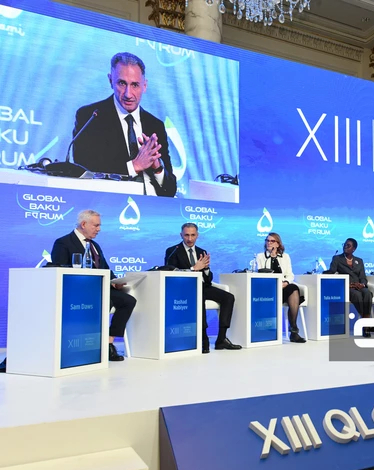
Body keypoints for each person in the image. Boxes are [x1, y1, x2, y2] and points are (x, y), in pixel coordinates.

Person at [72, 52, 176, 197]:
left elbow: (171, 190)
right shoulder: (90, 116)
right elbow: (85, 171)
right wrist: (134, 166)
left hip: (153, 206)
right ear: (110, 80)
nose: (128, 94)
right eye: (122, 83)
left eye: (135, 85)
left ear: (144, 86)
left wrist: (157, 167)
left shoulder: (155, 125)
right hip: (107, 205)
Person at [51, 210, 137, 362]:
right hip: (78, 291)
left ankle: (109, 342)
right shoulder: (63, 243)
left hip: (101, 289)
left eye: (99, 226)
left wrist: (115, 282)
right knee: (103, 303)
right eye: (96, 225)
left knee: (128, 301)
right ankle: (87, 344)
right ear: (83, 224)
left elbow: (105, 268)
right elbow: (58, 269)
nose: (99, 229)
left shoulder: (94, 245)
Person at [165, 223, 241, 353]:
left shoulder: (202, 252)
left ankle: (221, 338)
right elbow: (170, 272)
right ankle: (203, 338)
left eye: (192, 235)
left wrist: (205, 269)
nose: (190, 239)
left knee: (228, 297)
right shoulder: (173, 251)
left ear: (197, 235)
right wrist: (193, 269)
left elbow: (208, 279)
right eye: (186, 235)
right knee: (199, 297)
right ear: (181, 235)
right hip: (185, 289)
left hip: (203, 286)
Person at [255, 233, 306, 343]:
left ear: (278, 244)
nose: (269, 243)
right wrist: (272, 258)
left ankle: (293, 330)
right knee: (292, 291)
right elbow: (260, 273)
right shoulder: (260, 256)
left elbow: (290, 274)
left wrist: (286, 282)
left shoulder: (285, 257)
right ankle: (293, 331)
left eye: (272, 241)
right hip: (268, 289)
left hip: (282, 288)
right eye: (267, 240)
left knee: (293, 288)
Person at [329, 238, 374, 336]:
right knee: (357, 295)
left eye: (348, 245)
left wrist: (362, 284)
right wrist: (345, 284)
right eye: (344, 244)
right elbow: (331, 273)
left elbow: (363, 277)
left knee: (367, 293)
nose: (345, 247)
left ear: (354, 249)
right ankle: (366, 323)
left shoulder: (359, 261)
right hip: (347, 287)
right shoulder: (337, 259)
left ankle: (365, 322)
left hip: (358, 286)